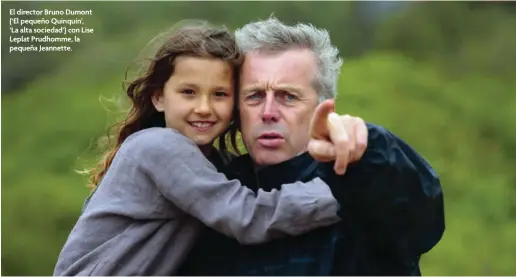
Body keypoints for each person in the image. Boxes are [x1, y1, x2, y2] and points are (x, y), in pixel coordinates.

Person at [52, 20, 370, 276]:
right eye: (188, 92)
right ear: (159, 97)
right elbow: (248, 216)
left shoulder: (214, 162)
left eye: (219, 94)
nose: (204, 108)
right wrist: (342, 193)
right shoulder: (159, 147)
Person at [177, 17, 445, 276]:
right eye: (255, 95)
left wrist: (369, 148)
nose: (268, 112)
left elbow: (420, 222)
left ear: (323, 107)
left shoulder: (358, 192)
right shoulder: (208, 194)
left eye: (288, 96)